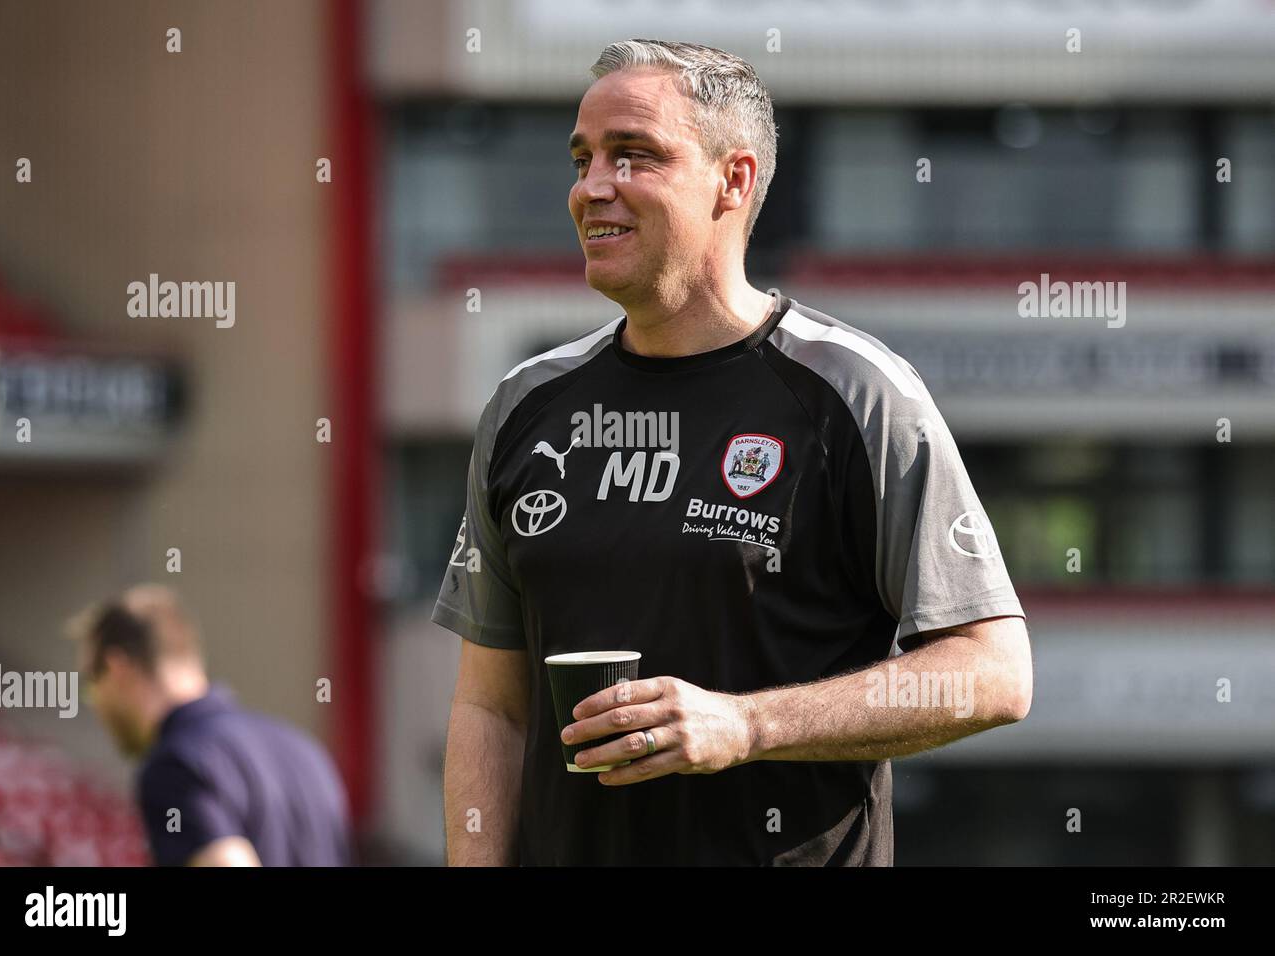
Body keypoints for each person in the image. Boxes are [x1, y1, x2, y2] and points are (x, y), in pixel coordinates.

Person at [432, 39, 1032, 866]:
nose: (591, 187)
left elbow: (994, 673)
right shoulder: (525, 406)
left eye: (634, 155)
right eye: (583, 158)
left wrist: (746, 724)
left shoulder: (857, 395)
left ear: (734, 179)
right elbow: (492, 709)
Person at [66, 584, 353, 866]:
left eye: (90, 686)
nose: (96, 705)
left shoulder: (176, 764)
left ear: (118, 668)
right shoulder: (305, 751)